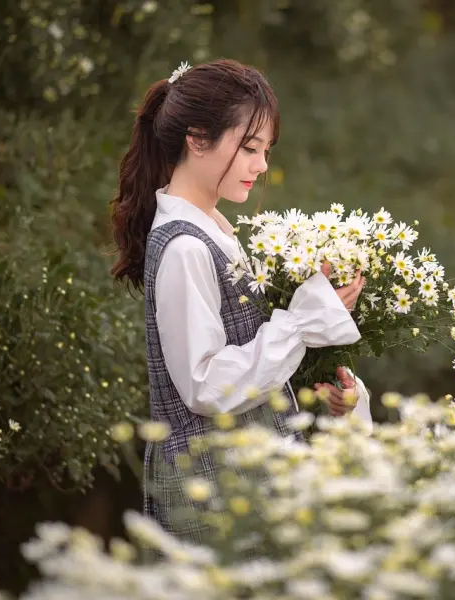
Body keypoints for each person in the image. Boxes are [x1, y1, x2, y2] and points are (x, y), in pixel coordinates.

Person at [109, 58, 370, 542]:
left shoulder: (216, 234)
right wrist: (301, 322)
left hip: (246, 487)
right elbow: (205, 385)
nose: (262, 165)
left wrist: (328, 391)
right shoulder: (185, 247)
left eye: (265, 150)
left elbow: (251, 362)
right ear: (197, 139)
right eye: (250, 147)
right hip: (212, 499)